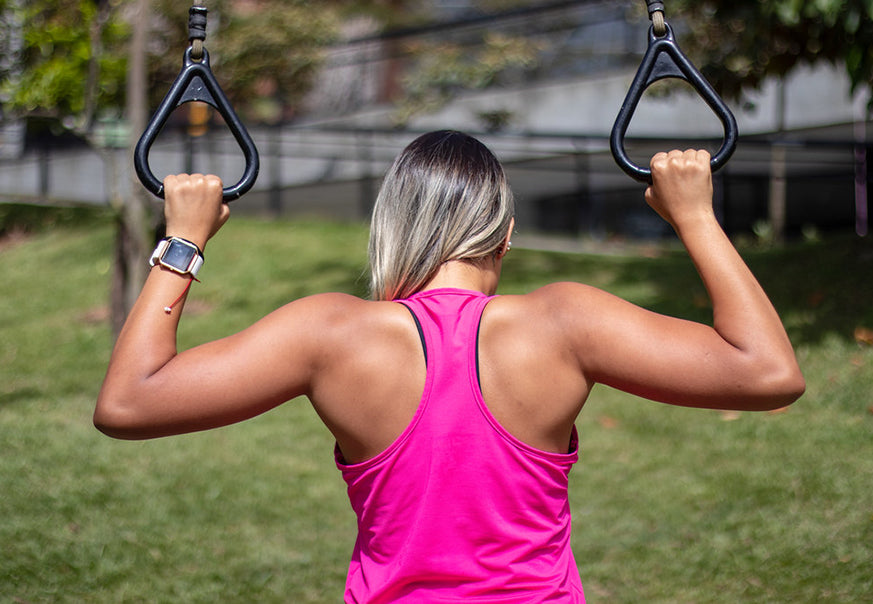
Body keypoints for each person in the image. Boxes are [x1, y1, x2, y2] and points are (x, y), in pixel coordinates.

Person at [95, 130, 804, 603]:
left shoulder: (330, 333)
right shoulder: (563, 323)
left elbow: (128, 403)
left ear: (391, 227)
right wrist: (695, 218)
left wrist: (182, 240)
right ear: (506, 234)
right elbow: (768, 372)